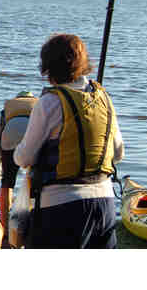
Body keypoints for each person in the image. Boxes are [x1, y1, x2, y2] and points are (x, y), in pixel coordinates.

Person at [13, 33, 124, 249]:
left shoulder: (49, 103)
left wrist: (15, 151)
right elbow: (118, 153)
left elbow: (24, 157)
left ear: (48, 68)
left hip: (61, 207)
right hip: (105, 203)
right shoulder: (104, 98)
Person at [0, 90, 37, 238]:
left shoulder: (7, 110)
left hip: (9, 136)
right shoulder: (39, 106)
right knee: (35, 181)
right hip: (31, 135)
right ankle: (33, 223)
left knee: (7, 183)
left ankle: (5, 227)